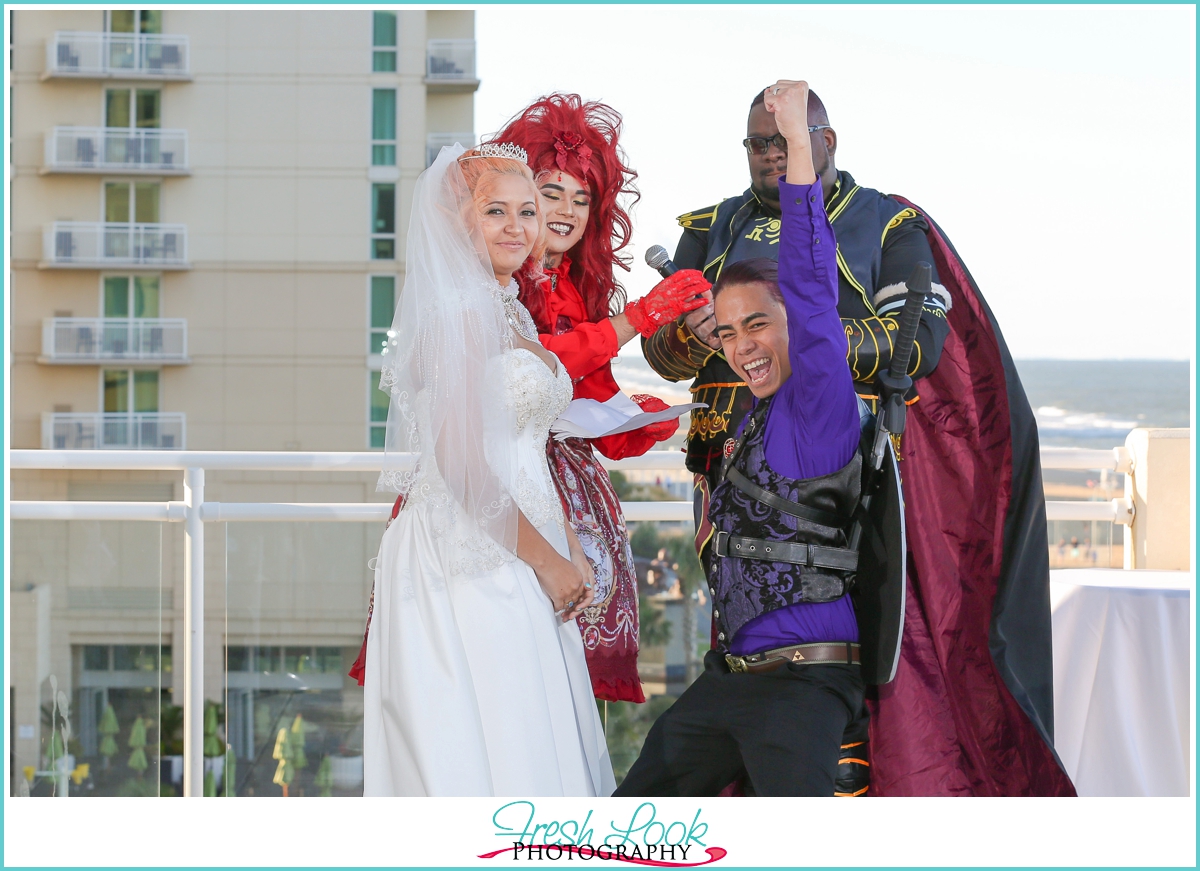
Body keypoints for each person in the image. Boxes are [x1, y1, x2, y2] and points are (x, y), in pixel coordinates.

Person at [642, 85, 1073, 795]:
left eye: (788, 140)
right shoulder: (709, 226)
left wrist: (798, 348)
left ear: (827, 142)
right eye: (759, 142)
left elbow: (917, 342)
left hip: (842, 460)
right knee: (744, 626)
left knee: (855, 629)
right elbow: (664, 353)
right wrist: (691, 340)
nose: (773, 153)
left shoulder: (887, 220)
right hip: (726, 462)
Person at [616, 80, 864, 796]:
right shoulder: (754, 411)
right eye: (728, 334)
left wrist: (791, 140)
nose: (743, 346)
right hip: (728, 682)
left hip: (802, 686)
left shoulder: (819, 402)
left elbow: (814, 285)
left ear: (795, 327)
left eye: (759, 324)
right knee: (621, 828)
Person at [362, 143, 614, 796]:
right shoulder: (458, 314)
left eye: (526, 211)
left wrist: (562, 550)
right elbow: (463, 464)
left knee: (530, 741)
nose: (515, 226)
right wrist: (552, 561)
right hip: (469, 556)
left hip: (518, 546)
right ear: (456, 221)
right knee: (491, 747)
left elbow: (523, 442)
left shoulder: (508, 308)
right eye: (494, 210)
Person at [496, 95, 708, 703]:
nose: (565, 211)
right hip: (507, 490)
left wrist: (643, 422)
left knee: (563, 691)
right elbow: (533, 372)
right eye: (550, 191)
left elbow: (586, 408)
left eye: (582, 198)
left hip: (567, 493)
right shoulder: (489, 283)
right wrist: (641, 316)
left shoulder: (575, 289)